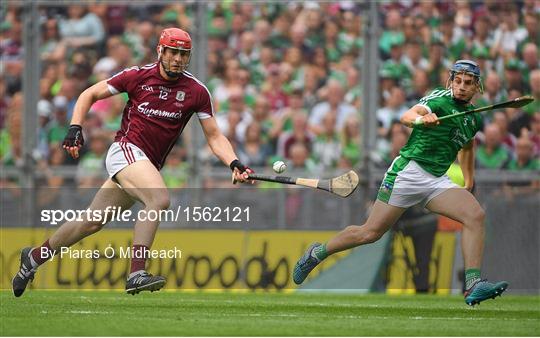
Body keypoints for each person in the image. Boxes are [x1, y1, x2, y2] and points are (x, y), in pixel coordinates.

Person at [12, 28, 253, 297]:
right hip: (125, 150)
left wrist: (234, 163)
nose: (177, 59)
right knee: (159, 199)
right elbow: (88, 94)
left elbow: (215, 136)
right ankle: (137, 272)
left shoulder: (196, 91)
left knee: (90, 223)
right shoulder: (137, 76)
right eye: (172, 52)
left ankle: (32, 259)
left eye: (183, 54)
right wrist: (75, 127)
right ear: (160, 51)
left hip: (145, 164)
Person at [293, 60, 508, 306]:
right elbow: (407, 116)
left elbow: (467, 147)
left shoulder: (473, 118)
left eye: (467, 83)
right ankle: (317, 253)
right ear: (450, 81)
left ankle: (473, 285)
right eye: (457, 81)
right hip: (408, 173)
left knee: (476, 216)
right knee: (369, 233)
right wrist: (421, 120)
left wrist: (468, 180)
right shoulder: (437, 99)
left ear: (477, 87)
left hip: (436, 180)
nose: (461, 87)